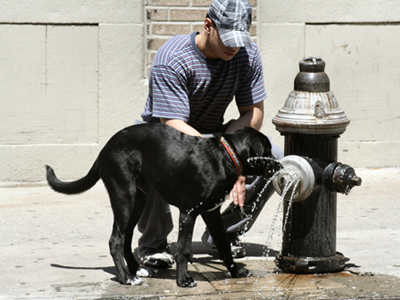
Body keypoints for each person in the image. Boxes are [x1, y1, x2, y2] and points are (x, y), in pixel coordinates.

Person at [136, 0, 283, 276]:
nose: (234, 47)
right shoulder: (173, 57)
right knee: (156, 156)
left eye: (239, 40)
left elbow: (254, 114)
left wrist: (234, 159)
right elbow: (172, 125)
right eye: (228, 39)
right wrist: (229, 158)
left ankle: (223, 232)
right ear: (208, 25)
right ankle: (153, 244)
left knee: (274, 159)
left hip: (215, 138)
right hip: (167, 136)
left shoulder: (246, 54)